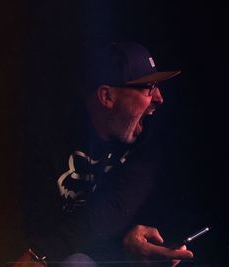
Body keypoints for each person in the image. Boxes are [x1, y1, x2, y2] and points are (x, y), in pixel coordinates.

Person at [13, 42, 194, 266]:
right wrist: (40, 254)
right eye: (149, 86)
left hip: (101, 253)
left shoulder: (147, 135)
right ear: (107, 97)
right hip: (57, 251)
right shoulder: (49, 134)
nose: (159, 98)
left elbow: (115, 207)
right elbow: (36, 225)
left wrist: (129, 243)